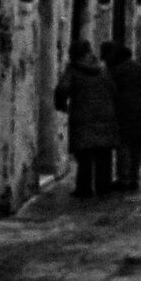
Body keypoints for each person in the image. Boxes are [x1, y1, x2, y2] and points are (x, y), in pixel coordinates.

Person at [55, 37, 119, 199]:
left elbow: (63, 89)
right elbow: (113, 90)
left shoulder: (73, 70)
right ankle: (103, 187)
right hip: (105, 116)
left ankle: (84, 189)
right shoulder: (102, 69)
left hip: (83, 116)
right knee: (103, 154)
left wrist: (61, 105)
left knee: (84, 156)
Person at [101, 39, 141, 191]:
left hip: (126, 113)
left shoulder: (116, 71)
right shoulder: (137, 67)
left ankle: (124, 178)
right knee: (137, 147)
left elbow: (111, 91)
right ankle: (133, 176)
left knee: (124, 145)